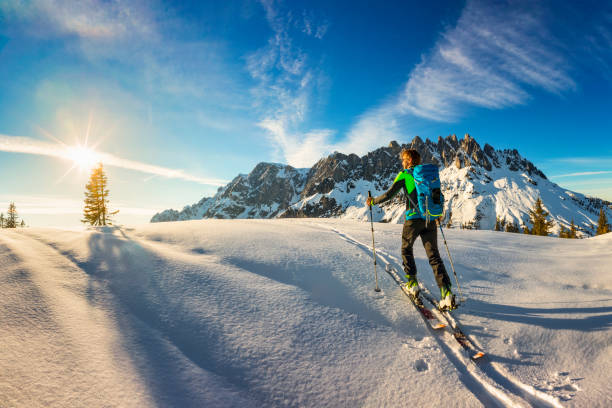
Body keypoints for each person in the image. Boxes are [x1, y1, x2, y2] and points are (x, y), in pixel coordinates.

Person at [366, 148, 456, 309]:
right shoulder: (428, 175)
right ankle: (446, 293)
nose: (402, 162)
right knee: (434, 256)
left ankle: (412, 283)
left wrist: (373, 201)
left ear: (408, 161)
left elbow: (388, 195)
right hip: (429, 218)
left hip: (413, 220)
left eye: (403, 159)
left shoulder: (405, 175)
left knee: (406, 249)